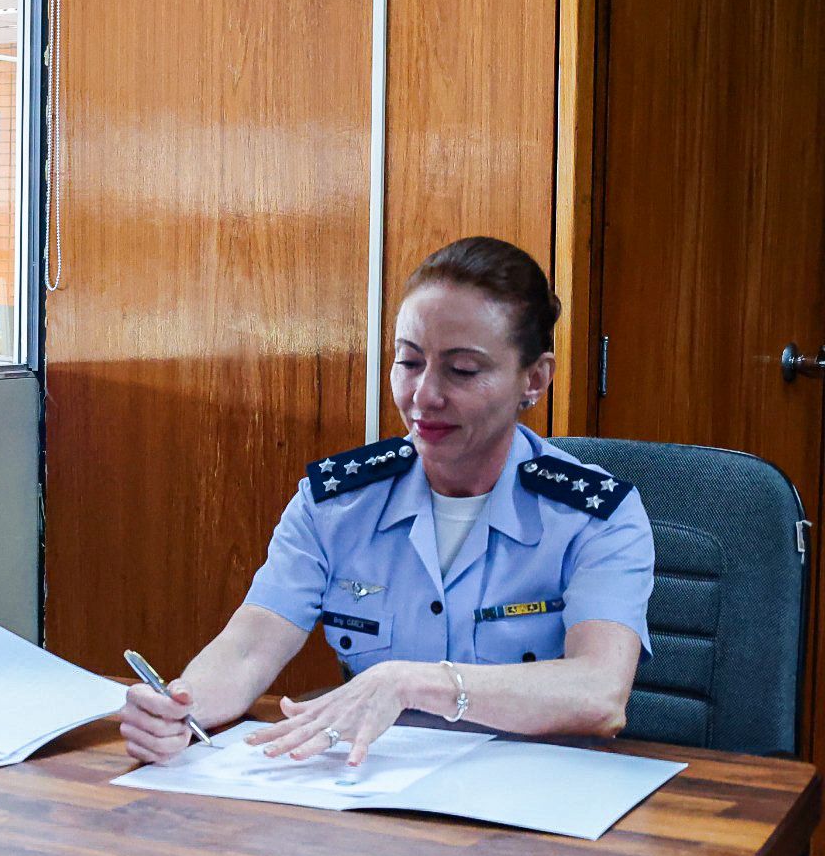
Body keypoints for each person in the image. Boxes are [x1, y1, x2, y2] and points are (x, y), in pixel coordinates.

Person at [119, 236, 653, 768]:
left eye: (463, 370)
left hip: (532, 787)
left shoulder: (595, 515)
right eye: (410, 361)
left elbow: (599, 694)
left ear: (534, 379)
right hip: (370, 780)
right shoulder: (336, 503)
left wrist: (410, 682)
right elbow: (249, 647)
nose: (424, 395)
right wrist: (180, 707)